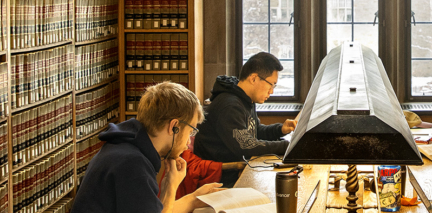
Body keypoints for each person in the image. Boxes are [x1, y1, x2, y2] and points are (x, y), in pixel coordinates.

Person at [70, 81, 223, 213]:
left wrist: (193, 200)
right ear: (174, 127)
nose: (189, 142)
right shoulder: (132, 164)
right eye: (190, 131)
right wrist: (170, 188)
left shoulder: (126, 146)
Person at [193, 52, 297, 186]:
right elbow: (247, 146)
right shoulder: (229, 106)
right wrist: (289, 146)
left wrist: (280, 129)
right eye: (271, 84)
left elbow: (255, 131)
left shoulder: (246, 99)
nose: (272, 91)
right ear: (253, 78)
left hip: (239, 171)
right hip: (221, 180)